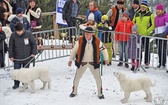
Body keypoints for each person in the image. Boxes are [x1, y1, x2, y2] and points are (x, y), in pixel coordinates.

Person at [68, 27, 109, 99]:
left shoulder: (97, 41)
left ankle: (100, 93)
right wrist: (70, 59)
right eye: (85, 34)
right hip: (82, 62)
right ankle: (74, 91)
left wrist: (106, 59)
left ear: (92, 34)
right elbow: (74, 50)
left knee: (98, 78)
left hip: (93, 62)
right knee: (77, 77)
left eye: (88, 34)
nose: (86, 35)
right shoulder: (80, 40)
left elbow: (104, 50)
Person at [8, 22, 37, 89]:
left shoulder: (28, 34)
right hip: (17, 58)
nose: (19, 33)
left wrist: (34, 52)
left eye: (20, 31)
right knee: (16, 71)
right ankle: (16, 83)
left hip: (27, 57)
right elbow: (11, 46)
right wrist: (11, 56)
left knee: (25, 72)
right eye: (17, 31)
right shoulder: (13, 35)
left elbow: (33, 44)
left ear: (22, 29)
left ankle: (25, 83)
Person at [133, 0, 154, 68]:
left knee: (146, 48)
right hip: (138, 35)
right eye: (141, 7)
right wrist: (134, 30)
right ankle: (139, 60)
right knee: (138, 49)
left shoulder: (150, 14)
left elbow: (153, 25)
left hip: (145, 35)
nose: (142, 8)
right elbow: (133, 22)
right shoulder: (137, 13)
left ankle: (146, 62)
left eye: (144, 7)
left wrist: (147, 31)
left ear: (146, 7)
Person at [154, 3, 168, 70]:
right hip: (157, 35)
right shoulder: (156, 18)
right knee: (159, 50)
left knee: (163, 50)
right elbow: (155, 27)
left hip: (163, 35)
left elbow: (167, 26)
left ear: (162, 10)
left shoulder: (166, 16)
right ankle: (160, 63)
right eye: (157, 10)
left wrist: (165, 34)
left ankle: (163, 63)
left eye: (159, 10)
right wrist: (155, 33)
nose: (158, 11)